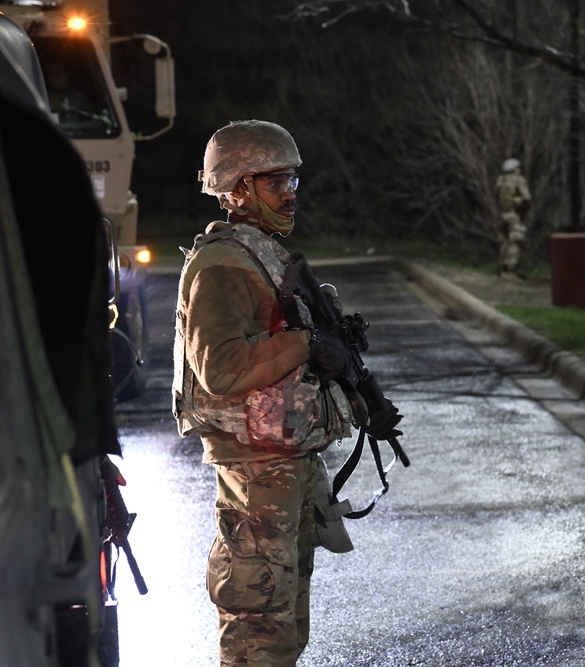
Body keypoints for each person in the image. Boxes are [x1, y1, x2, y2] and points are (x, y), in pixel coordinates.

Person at [172, 120, 357, 666]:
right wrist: (306, 342)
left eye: (293, 181)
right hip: (255, 471)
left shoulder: (261, 253)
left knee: (285, 627)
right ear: (236, 189)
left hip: (282, 461)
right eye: (275, 182)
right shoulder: (223, 264)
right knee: (259, 632)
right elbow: (220, 368)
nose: (290, 194)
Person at [495, 157, 532, 280]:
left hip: (503, 213)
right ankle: (510, 269)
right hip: (515, 214)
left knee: (505, 241)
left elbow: (496, 197)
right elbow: (526, 198)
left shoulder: (500, 181)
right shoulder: (518, 180)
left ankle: (502, 268)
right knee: (515, 241)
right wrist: (523, 210)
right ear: (514, 169)